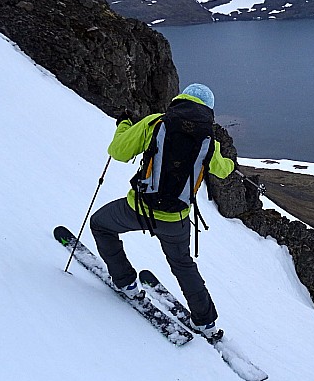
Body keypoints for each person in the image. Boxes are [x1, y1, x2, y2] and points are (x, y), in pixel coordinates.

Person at [90, 83, 234, 338]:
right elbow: (222, 170)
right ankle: (206, 323)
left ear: (181, 98)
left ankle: (125, 282)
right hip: (175, 219)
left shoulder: (156, 123)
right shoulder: (208, 138)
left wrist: (123, 126)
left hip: (138, 209)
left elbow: (118, 152)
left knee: (100, 224)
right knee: (182, 264)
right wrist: (230, 163)